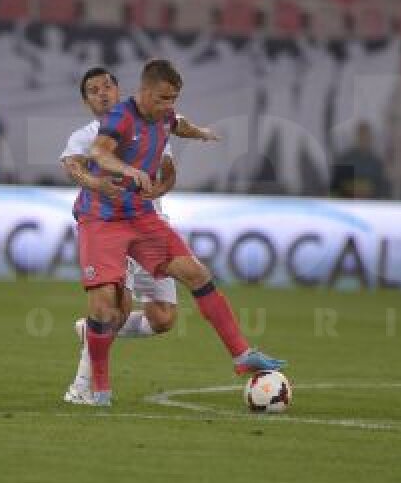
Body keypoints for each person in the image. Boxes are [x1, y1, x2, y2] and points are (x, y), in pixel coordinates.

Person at [75, 59, 286, 406]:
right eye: (162, 99)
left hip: (140, 215)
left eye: (173, 98)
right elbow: (98, 152)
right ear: (143, 92)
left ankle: (241, 354)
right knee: (102, 307)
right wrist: (129, 169)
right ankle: (99, 390)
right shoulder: (121, 118)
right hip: (102, 218)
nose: (168, 106)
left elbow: (178, 124)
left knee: (196, 272)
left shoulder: (165, 115)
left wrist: (199, 132)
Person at [60, 67, 178, 405]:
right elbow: (73, 166)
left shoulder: (146, 121)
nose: (103, 93)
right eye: (94, 90)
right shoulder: (84, 136)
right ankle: (82, 388)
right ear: (87, 102)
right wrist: (96, 183)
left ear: (118, 89)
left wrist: (156, 190)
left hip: (148, 224)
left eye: (108, 86)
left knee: (163, 318)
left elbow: (168, 171)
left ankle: (92, 330)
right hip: (108, 225)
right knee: (114, 307)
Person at [329, 122, 390, 199]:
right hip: (348, 204)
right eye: (361, 136)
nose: (364, 139)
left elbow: (383, 190)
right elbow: (335, 189)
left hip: (370, 205)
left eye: (366, 136)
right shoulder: (345, 160)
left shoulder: (376, 163)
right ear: (356, 138)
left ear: (371, 138)